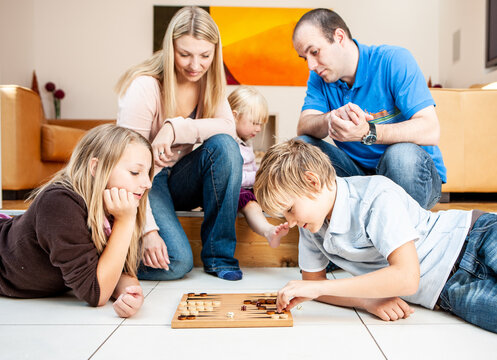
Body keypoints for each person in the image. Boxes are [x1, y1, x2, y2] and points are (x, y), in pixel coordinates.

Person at [253, 139, 497, 334]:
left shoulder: (376, 195)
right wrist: (366, 300)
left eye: (290, 209)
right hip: (447, 290)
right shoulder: (311, 226)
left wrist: (318, 287)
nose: (291, 222)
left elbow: (407, 277)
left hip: (475, 238)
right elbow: (313, 285)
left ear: (312, 182)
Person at [116, 6, 243, 281]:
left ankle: (219, 257)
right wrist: (148, 231)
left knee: (225, 147)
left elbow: (227, 129)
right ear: (170, 48)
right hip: (146, 183)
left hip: (179, 177)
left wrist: (174, 128)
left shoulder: (209, 83)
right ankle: (101, 260)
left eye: (205, 56)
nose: (195, 65)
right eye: (184, 54)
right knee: (177, 262)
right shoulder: (145, 87)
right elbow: (125, 168)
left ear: (215, 53)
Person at [293, 8, 446, 210]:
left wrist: (368, 132)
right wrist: (330, 118)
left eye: (314, 52)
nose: (311, 65)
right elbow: (304, 126)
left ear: (339, 37)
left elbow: (431, 129)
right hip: (359, 175)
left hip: (411, 174)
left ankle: (403, 232)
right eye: (305, 58)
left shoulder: (393, 60)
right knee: (302, 146)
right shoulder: (319, 78)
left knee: (401, 156)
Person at [0, 124, 153, 318]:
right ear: (96, 168)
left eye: (148, 173)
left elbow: (118, 270)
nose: (147, 183)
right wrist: (125, 222)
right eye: (135, 172)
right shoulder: (58, 204)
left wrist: (130, 291)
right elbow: (95, 292)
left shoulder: (117, 206)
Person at [228, 85, 289, 248]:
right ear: (234, 116)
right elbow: (232, 177)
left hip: (248, 186)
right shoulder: (227, 143)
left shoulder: (245, 141)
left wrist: (262, 177)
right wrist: (256, 178)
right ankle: (268, 231)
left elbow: (252, 168)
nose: (259, 129)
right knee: (251, 205)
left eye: (261, 124)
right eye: (254, 123)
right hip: (234, 190)